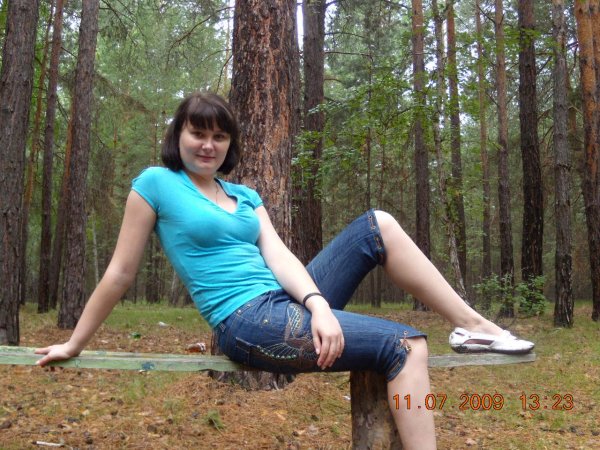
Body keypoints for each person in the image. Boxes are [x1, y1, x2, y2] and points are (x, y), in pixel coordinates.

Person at [36, 92, 533, 450]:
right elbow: (120, 274)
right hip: (245, 320)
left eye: (219, 136)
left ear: (229, 144)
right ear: (178, 135)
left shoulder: (244, 196)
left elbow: (280, 258)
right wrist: (75, 342)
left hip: (284, 299)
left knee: (377, 224)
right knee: (405, 346)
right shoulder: (156, 184)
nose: (208, 145)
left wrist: (318, 305)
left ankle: (472, 325)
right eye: (197, 133)